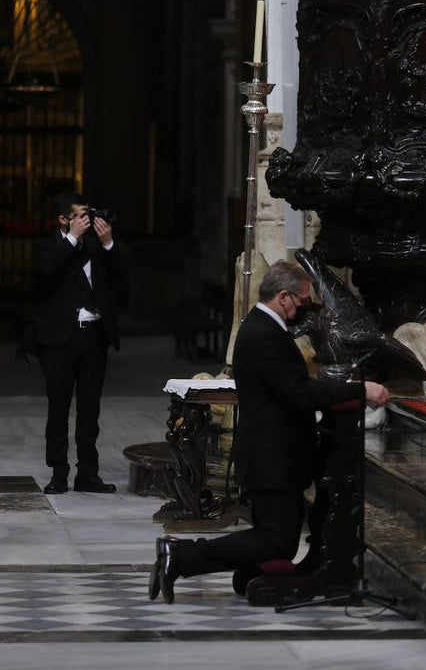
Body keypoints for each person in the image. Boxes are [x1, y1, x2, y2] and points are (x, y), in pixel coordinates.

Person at [149, 260, 390, 604]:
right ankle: (181, 556)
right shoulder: (264, 335)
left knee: (275, 538)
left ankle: (189, 559)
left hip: (273, 456)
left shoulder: (261, 328)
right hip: (272, 458)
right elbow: (298, 392)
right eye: (302, 301)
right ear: (284, 297)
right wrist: (359, 389)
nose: (303, 308)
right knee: (275, 541)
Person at [34, 192, 128, 494]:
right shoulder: (48, 246)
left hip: (93, 336)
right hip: (60, 339)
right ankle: (58, 473)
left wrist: (109, 242)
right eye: (80, 215)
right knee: (58, 409)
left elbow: (122, 276)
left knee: (90, 411)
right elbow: (46, 272)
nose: (87, 220)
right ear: (64, 219)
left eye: (89, 213)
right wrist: (72, 238)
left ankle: (88, 474)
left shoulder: (96, 246)